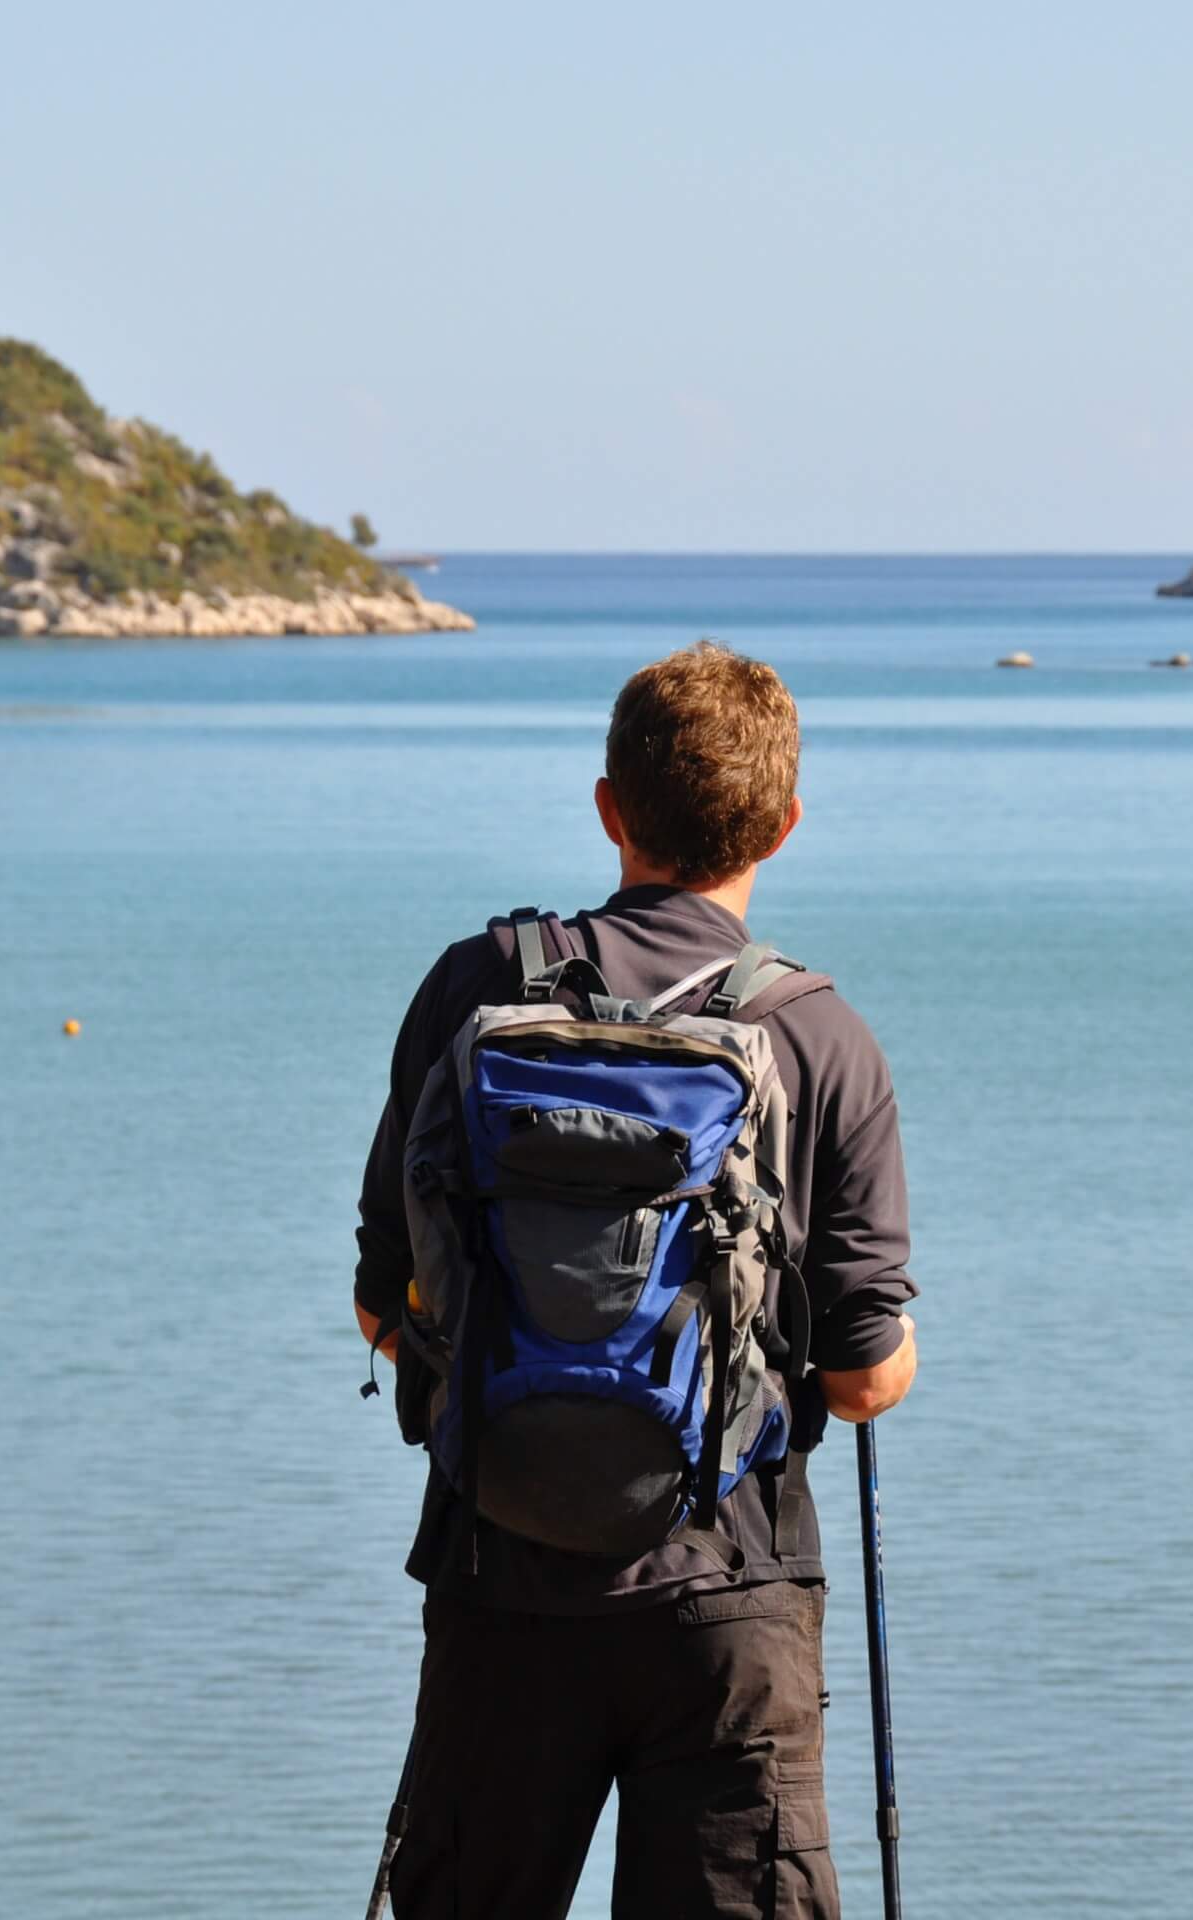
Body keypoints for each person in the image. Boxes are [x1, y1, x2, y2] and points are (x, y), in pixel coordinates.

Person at [354, 642, 921, 1918]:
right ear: (782, 823)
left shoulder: (477, 987)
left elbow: (384, 1304)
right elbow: (862, 1372)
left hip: (498, 1585)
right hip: (731, 1601)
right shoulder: (817, 1034)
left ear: (608, 807)